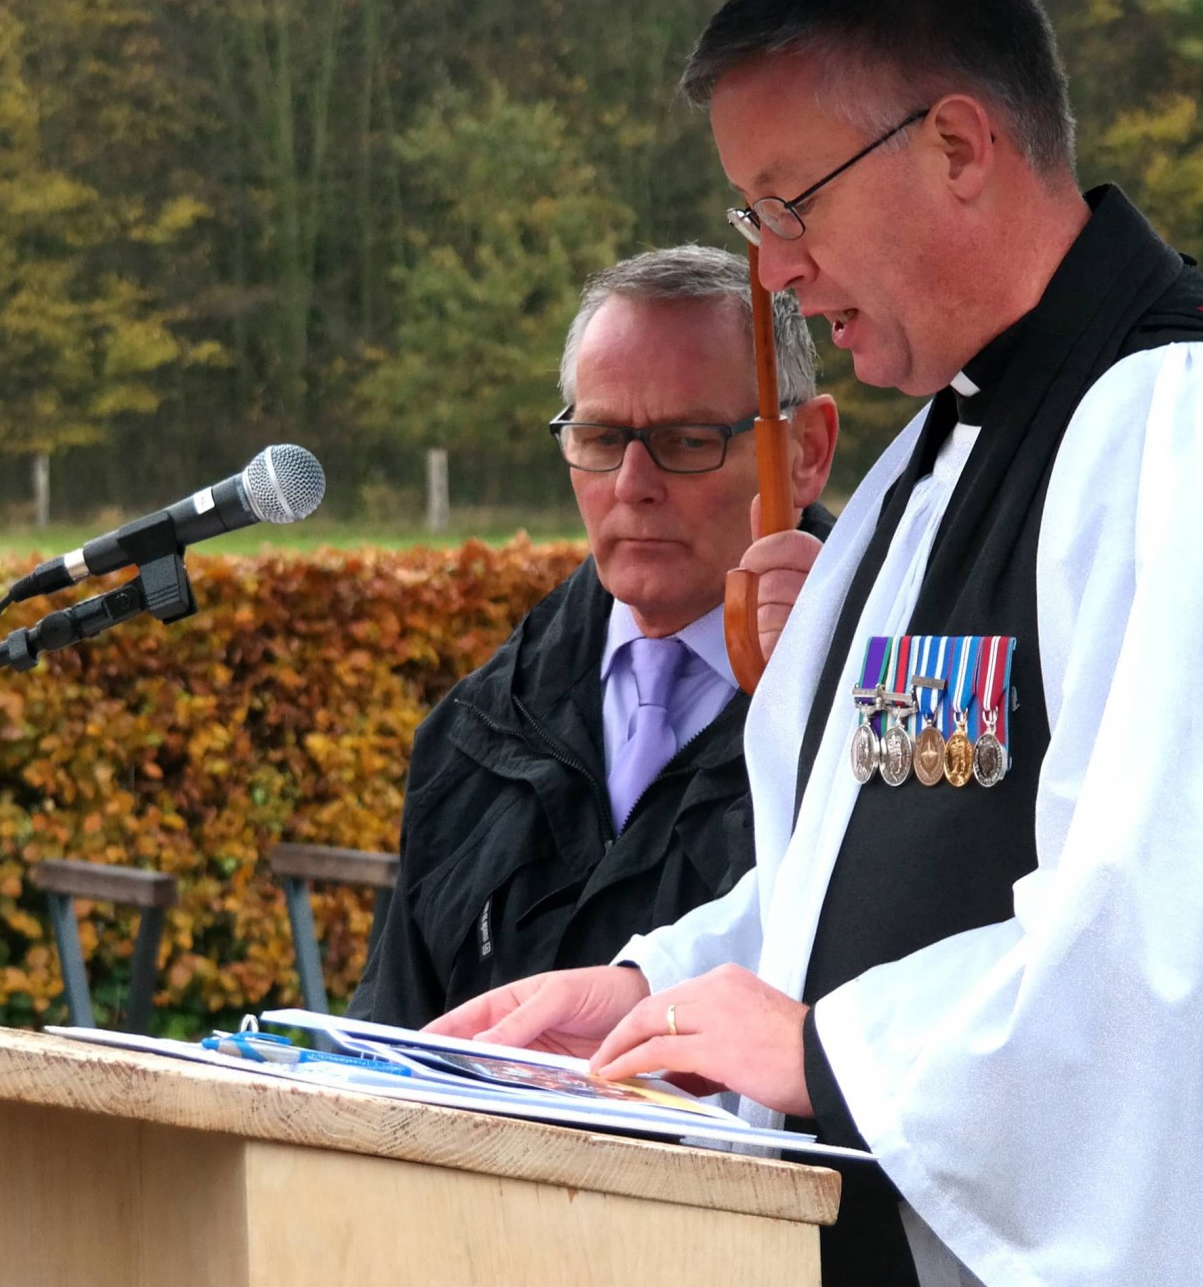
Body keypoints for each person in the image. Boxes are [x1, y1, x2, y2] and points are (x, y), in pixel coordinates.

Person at [431, 0, 1203, 1287]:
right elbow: (870, 865)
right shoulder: (933, 459)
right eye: (748, 220)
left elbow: (1192, 925)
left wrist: (826, 1051)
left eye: (788, 204)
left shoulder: (1193, 429)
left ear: (961, 146)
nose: (776, 273)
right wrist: (646, 991)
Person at [351, 244, 838, 1026]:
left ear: (805, 452)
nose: (631, 486)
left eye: (686, 442)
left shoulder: (876, 708)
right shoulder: (473, 732)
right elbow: (391, 1046)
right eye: (602, 440)